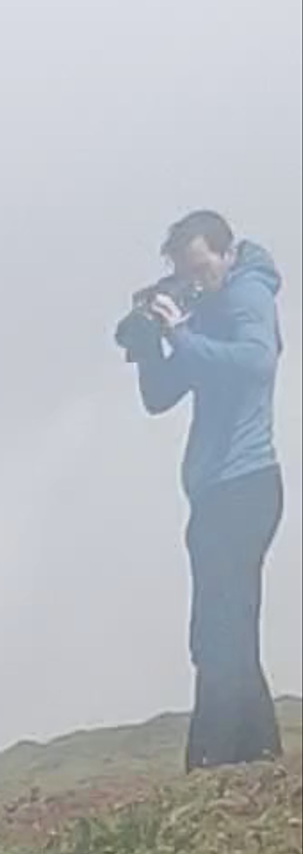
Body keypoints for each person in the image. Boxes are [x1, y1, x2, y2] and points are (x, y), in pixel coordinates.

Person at [114, 210, 282, 765]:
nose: (196, 280)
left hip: (245, 482)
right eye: (187, 272)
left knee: (221, 626)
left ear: (227, 254)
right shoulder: (206, 313)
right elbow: (161, 395)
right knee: (220, 625)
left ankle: (216, 760)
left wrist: (180, 332)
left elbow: (257, 362)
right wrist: (147, 347)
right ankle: (255, 756)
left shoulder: (246, 297)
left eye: (202, 267)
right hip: (217, 491)